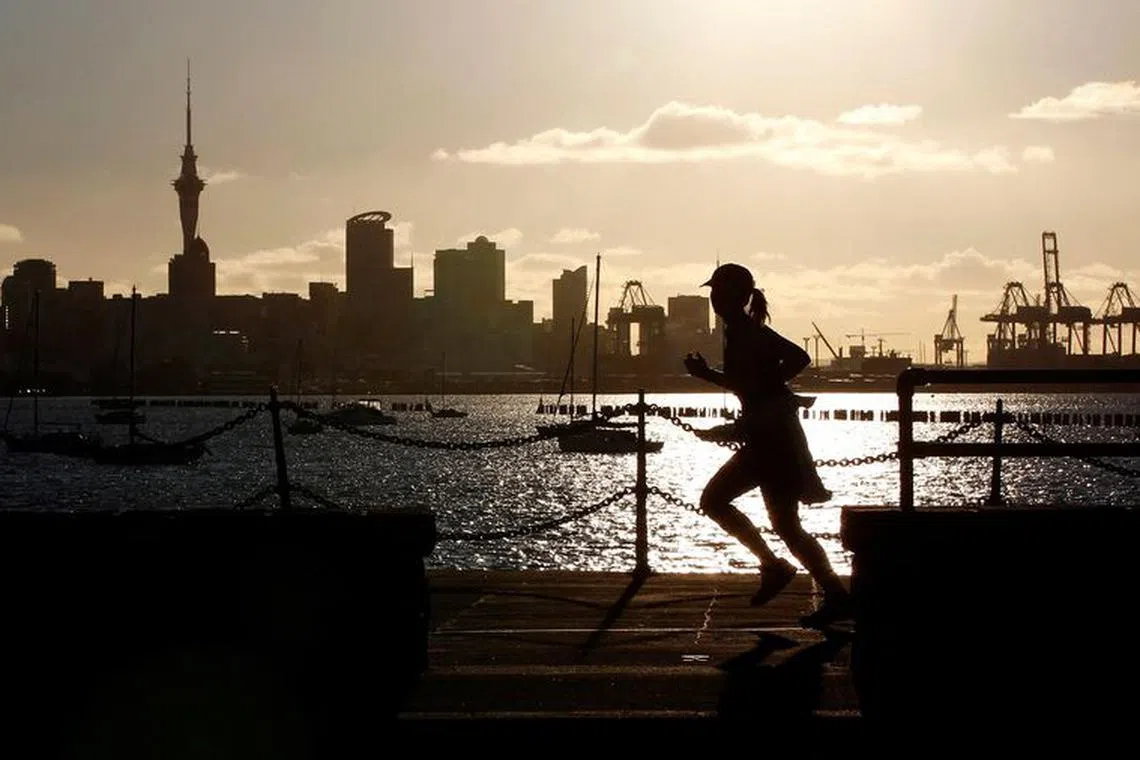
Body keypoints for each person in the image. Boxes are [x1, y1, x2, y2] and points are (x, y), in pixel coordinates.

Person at [684, 262, 851, 628]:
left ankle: (777, 567)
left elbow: (790, 363)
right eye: (712, 292)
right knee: (787, 525)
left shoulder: (747, 332)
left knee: (717, 502)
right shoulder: (741, 332)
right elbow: (754, 379)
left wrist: (764, 385)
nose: (713, 298)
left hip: (770, 442)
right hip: (768, 439)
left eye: (718, 292)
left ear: (736, 297)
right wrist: (715, 376)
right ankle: (830, 592)